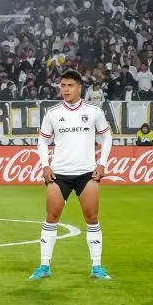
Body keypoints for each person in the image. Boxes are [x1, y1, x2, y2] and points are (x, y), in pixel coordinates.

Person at [32, 69, 113, 280]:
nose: (66, 89)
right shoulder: (53, 113)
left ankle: (97, 267)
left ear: (79, 87)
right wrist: (45, 165)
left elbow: (107, 137)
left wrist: (102, 163)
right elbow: (42, 141)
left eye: (70, 85)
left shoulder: (94, 111)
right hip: (59, 174)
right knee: (51, 218)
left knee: (92, 218)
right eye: (63, 85)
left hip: (87, 173)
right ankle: (44, 266)